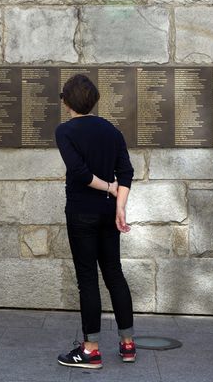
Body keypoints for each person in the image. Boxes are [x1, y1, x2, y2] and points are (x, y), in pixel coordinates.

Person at [55, 74, 136, 369]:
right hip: (106, 212)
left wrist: (108, 188)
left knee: (88, 278)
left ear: (66, 102)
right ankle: (128, 344)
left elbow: (79, 172)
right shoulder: (111, 131)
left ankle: (90, 350)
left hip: (81, 213)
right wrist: (119, 206)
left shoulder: (65, 132)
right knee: (114, 273)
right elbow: (126, 171)